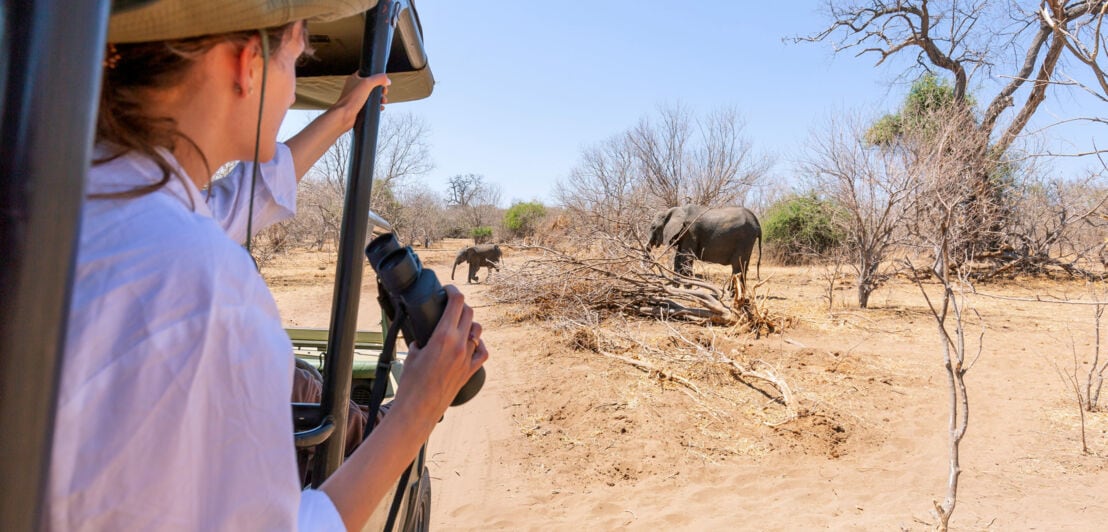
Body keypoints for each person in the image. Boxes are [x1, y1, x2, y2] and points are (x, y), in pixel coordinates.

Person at [48, 6, 488, 531]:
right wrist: (419, 406)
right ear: (247, 63)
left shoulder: (76, 204)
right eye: (295, 56)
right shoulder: (204, 287)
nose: (293, 79)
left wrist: (341, 115)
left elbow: (236, 203)